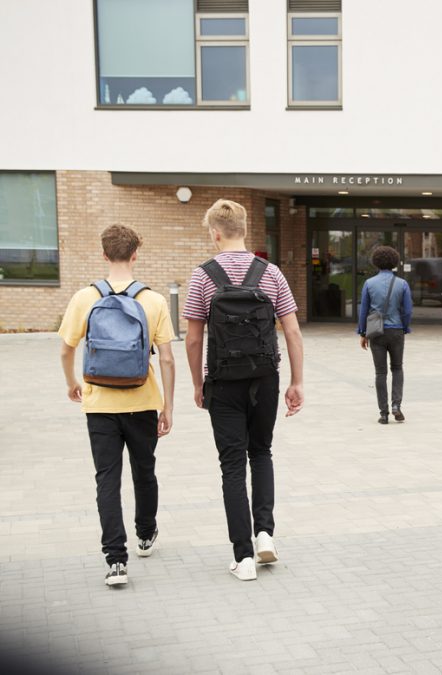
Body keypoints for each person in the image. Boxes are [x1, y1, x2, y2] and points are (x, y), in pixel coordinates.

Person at [183, 199, 304, 582]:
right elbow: (293, 331)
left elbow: (192, 338)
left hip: (222, 381)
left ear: (214, 233)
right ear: (246, 230)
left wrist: (197, 382)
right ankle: (265, 532)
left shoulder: (203, 276)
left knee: (232, 464)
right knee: (262, 451)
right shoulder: (271, 273)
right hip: (265, 378)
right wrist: (296, 381)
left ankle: (243, 557)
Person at [58, 224, 176, 587]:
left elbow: (66, 349)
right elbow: (168, 359)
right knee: (145, 471)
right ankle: (145, 534)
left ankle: (116, 561)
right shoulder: (153, 301)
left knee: (107, 479)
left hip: (99, 404)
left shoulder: (84, 298)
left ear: (104, 255)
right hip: (142, 402)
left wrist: (72, 384)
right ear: (136, 254)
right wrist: (167, 407)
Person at [357, 245, 413, 425]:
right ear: (394, 262)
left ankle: (383, 413)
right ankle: (396, 405)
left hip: (376, 332)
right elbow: (408, 310)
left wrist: (363, 333)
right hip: (396, 330)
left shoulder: (369, 283)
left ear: (376, 262)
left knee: (380, 372)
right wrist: (404, 327)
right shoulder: (402, 284)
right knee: (397, 368)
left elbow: (364, 309)